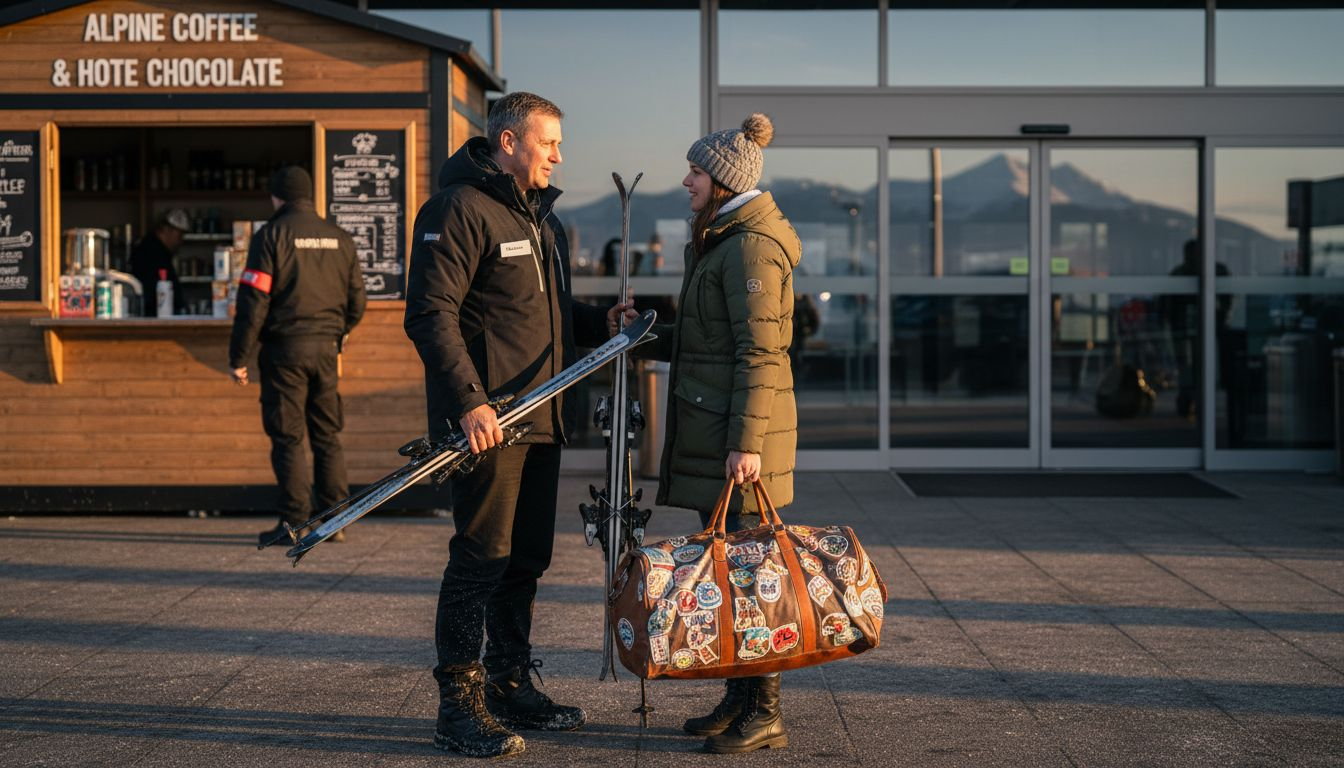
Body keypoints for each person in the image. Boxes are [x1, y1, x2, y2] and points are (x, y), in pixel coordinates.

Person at [403, 91, 632, 759]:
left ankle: (507, 684)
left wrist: (598, 325)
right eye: (549, 141)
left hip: (542, 418)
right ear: (508, 142)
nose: (560, 155)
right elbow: (429, 314)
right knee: (479, 561)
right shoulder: (458, 208)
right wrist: (470, 400)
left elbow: (547, 314)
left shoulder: (541, 220)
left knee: (525, 559)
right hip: (488, 423)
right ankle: (459, 706)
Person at [635, 113, 800, 754]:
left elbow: (759, 354)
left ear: (725, 182)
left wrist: (747, 445)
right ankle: (738, 699)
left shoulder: (750, 248)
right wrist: (646, 332)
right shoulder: (725, 240)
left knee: (754, 577)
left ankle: (766, 713)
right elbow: (708, 343)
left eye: (697, 172)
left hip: (738, 443)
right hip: (723, 434)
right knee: (730, 572)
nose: (687, 181)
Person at [227, 166, 367, 547]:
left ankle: (294, 523)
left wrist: (238, 356)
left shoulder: (270, 235)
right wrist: (336, 335)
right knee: (327, 435)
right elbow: (358, 301)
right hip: (325, 350)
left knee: (288, 438)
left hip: (284, 351)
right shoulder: (340, 238)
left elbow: (253, 302)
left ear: (278, 197)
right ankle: (336, 519)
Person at [129, 208, 189, 316]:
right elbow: (150, 292)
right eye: (179, 235)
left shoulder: (159, 251)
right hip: (152, 317)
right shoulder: (150, 252)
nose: (180, 241)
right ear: (166, 230)